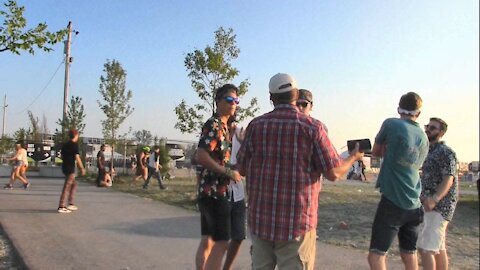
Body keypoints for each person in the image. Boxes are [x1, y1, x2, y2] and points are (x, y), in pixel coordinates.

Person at [236, 73, 364, 270]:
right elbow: (334, 173)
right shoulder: (312, 128)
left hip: (261, 221)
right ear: (296, 95)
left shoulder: (256, 126)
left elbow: (242, 168)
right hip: (296, 224)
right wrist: (353, 158)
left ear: (271, 98)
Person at [367, 92, 429, 270]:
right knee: (409, 253)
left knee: (376, 254)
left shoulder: (391, 123)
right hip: (415, 203)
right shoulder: (424, 137)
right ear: (418, 113)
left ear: (398, 108)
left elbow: (376, 153)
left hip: (393, 201)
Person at [195, 84, 242, 270]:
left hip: (210, 192)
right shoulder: (214, 124)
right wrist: (227, 172)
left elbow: (217, 157)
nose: (233, 104)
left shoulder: (224, 127)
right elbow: (201, 155)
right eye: (229, 100)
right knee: (222, 242)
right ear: (218, 102)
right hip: (214, 192)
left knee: (208, 240)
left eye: (236, 101)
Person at [417, 117, 458, 270]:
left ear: (441, 133)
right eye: (427, 126)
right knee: (438, 248)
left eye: (432, 128)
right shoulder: (429, 151)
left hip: (440, 206)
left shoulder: (446, 152)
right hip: (429, 205)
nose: (427, 129)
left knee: (426, 248)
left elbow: (449, 178)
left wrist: (434, 199)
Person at [57, 129, 86, 214]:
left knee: (73, 184)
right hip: (70, 168)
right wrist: (82, 168)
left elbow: (62, 156)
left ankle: (71, 203)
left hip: (65, 167)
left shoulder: (65, 145)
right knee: (67, 186)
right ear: (76, 136)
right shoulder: (74, 145)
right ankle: (61, 206)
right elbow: (77, 157)